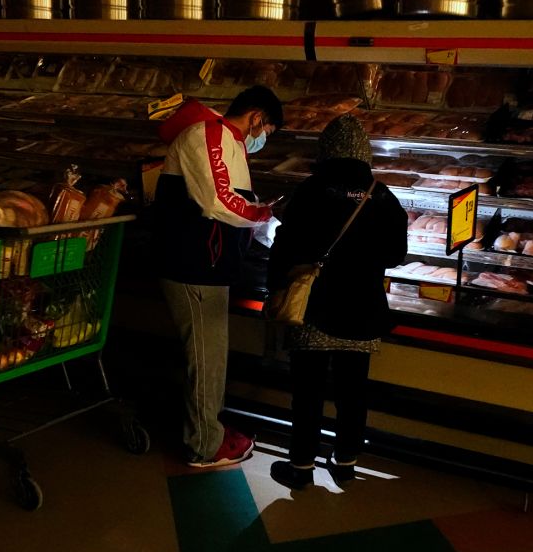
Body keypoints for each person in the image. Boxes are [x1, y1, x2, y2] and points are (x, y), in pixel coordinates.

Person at [265, 114, 408, 490]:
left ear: (326, 150)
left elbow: (285, 243)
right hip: (363, 310)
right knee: (353, 392)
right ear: (365, 152)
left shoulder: (311, 190)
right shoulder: (382, 194)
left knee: (308, 392)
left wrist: (274, 287)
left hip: (315, 308)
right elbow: (397, 254)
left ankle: (300, 468)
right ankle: (345, 462)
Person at [153, 86, 283, 467]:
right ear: (257, 117)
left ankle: (209, 428)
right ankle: (204, 446)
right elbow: (217, 201)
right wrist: (261, 216)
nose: (263, 139)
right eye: (268, 130)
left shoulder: (228, 142)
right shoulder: (208, 133)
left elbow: (235, 201)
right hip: (192, 265)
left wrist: (269, 228)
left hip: (209, 265)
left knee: (212, 356)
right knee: (206, 358)